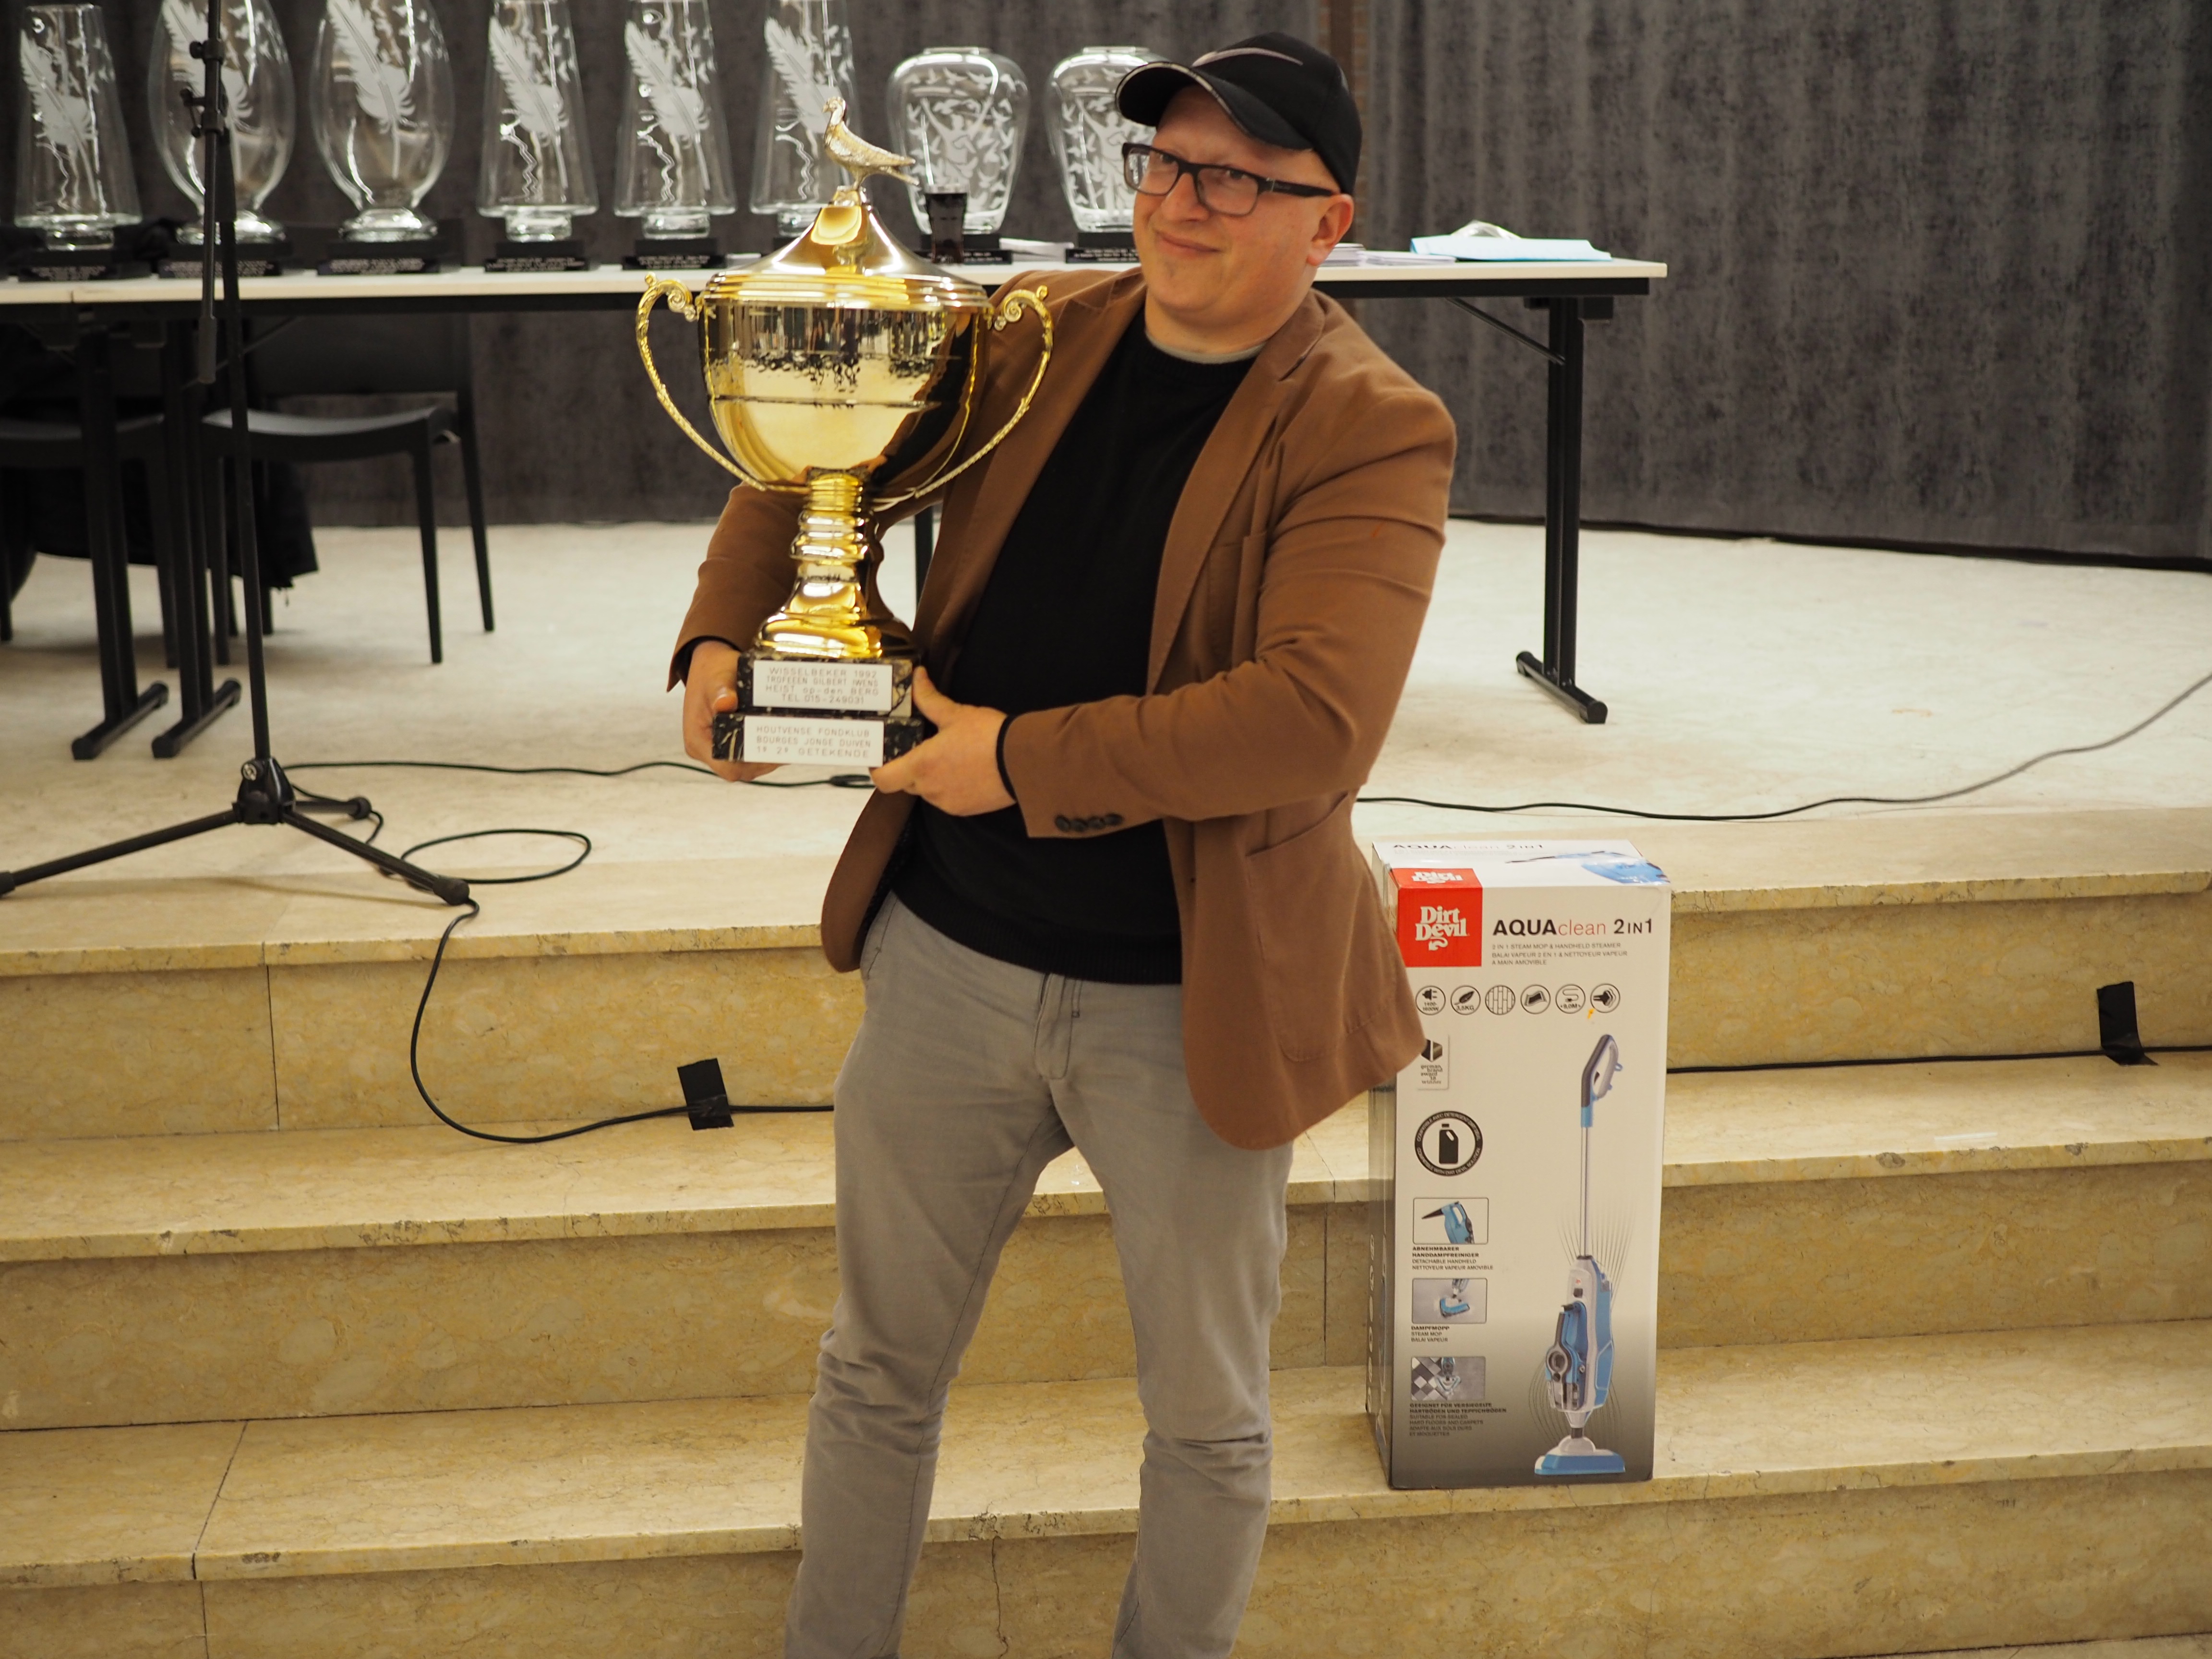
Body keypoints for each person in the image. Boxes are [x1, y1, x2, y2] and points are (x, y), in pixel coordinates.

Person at [671, 32, 1455, 1659]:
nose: (1183, 200)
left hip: (1188, 990)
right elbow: (814, 434)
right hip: (948, 956)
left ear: (1329, 222)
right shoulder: (1029, 331)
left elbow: (1310, 722)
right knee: (874, 1369)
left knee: (1206, 1417)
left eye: (1236, 177)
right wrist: (723, 635)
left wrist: (1015, 762)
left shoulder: (1372, 424)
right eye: (1165, 162)